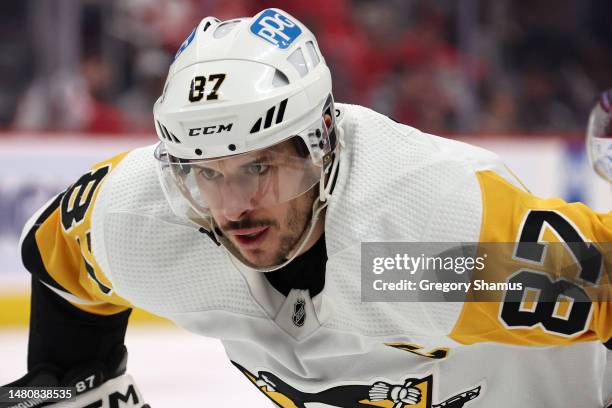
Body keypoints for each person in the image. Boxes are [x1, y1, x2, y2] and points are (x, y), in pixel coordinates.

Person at [3, 9, 611, 408]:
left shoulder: (416, 250)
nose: (235, 206)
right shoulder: (153, 218)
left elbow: (606, 279)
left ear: (321, 142)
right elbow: (63, 256)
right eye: (207, 173)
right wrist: (78, 380)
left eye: (260, 167)